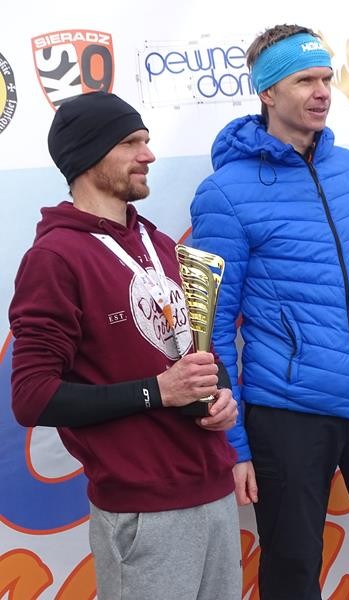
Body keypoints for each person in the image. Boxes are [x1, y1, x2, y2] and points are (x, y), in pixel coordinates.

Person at [189, 24, 349, 600]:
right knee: (292, 573)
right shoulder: (224, 193)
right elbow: (209, 328)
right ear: (267, 92)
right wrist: (236, 446)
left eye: (327, 79)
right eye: (304, 80)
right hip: (289, 412)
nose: (322, 92)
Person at [9, 92, 241, 600]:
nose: (148, 155)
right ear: (89, 154)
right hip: (143, 512)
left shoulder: (158, 244)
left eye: (147, 141)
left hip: (214, 492)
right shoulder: (55, 258)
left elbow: (195, 354)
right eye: (131, 143)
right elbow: (32, 397)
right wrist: (157, 391)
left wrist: (220, 395)